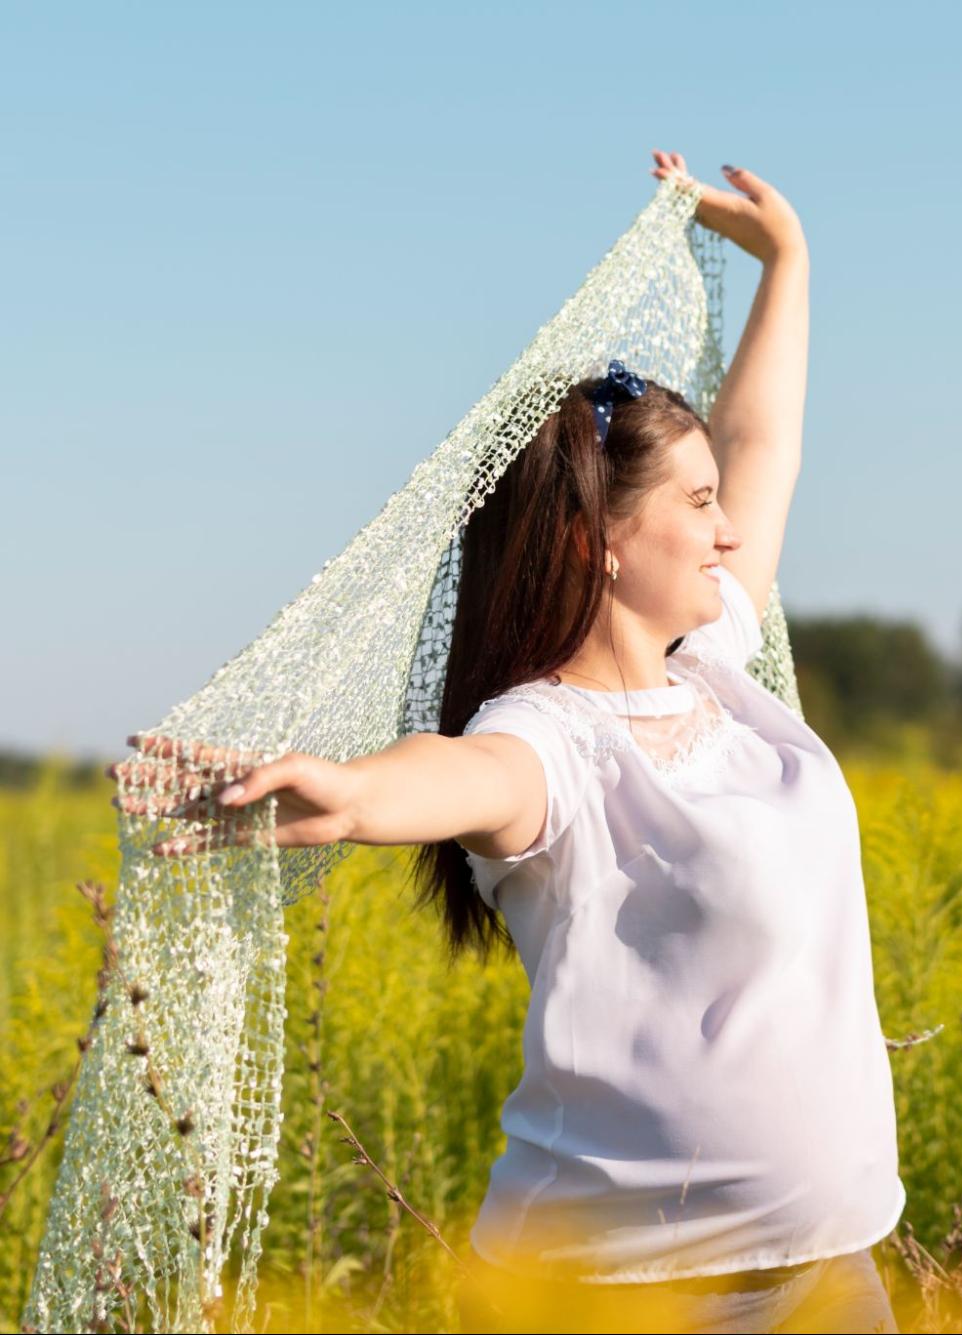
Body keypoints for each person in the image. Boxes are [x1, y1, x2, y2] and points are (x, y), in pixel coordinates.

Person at [110, 151, 902, 1334]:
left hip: (828, 1275)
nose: (731, 529)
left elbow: (764, 445)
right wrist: (354, 794)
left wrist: (788, 258)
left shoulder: (720, 671)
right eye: (695, 505)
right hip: (614, 1302)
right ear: (602, 546)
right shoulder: (549, 736)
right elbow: (465, 777)